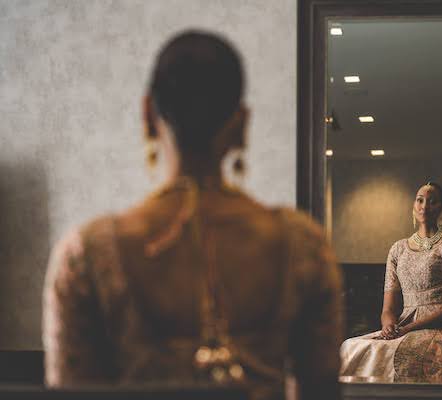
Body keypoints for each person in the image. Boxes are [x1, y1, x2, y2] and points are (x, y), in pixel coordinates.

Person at [42, 31, 343, 400]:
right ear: (241, 123)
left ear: (149, 115)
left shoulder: (86, 254)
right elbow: (320, 390)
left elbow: (71, 389)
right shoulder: (304, 245)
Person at [339, 182, 442, 383]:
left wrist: (409, 329)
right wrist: (388, 326)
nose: (424, 206)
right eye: (420, 200)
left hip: (441, 326)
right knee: (351, 346)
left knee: (413, 357)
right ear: (413, 205)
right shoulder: (398, 249)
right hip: (402, 324)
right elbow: (388, 308)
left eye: (432, 201)